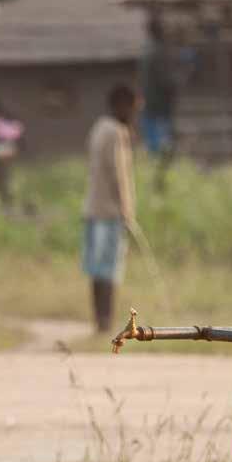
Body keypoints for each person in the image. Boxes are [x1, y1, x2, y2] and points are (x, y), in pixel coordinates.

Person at [83, 84, 139, 333]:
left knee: (96, 269)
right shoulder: (116, 132)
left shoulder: (98, 128)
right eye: (133, 109)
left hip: (92, 209)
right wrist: (127, 211)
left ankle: (99, 321)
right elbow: (120, 175)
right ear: (122, 105)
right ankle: (107, 323)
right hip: (110, 212)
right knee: (109, 269)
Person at [140, 15, 176, 158]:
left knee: (154, 146)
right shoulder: (158, 53)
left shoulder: (148, 51)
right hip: (159, 106)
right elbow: (166, 80)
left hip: (151, 105)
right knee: (162, 146)